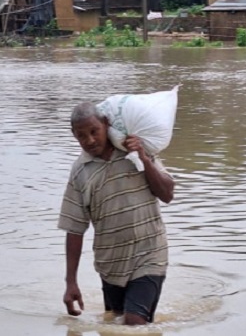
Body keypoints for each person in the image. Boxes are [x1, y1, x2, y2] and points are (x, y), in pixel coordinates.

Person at [58, 102, 175, 325]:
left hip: (149, 255)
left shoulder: (134, 152)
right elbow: (74, 229)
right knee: (115, 322)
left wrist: (143, 157)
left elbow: (167, 194)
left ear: (106, 124)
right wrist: (70, 282)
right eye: (82, 136)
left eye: (94, 131)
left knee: (134, 321)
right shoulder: (80, 172)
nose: (90, 140)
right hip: (110, 264)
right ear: (74, 136)